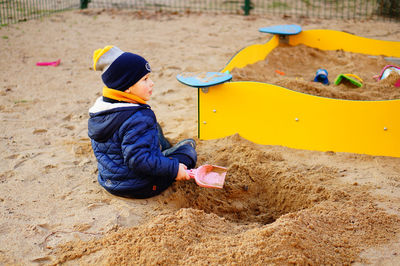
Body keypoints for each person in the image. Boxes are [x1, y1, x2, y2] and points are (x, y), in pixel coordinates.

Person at [88, 45, 197, 199]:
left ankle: (162, 151)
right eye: (145, 79)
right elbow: (139, 161)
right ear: (126, 87)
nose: (151, 83)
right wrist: (174, 169)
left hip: (110, 181)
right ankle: (171, 154)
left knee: (153, 127)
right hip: (140, 186)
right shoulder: (138, 117)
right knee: (188, 152)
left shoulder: (101, 111)